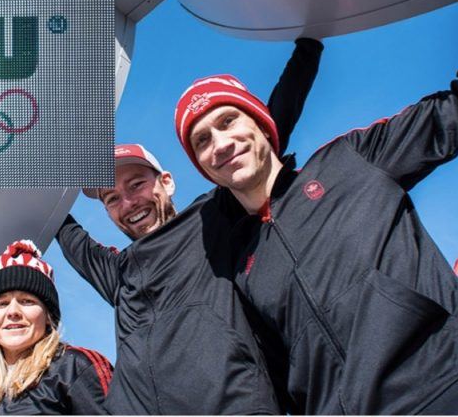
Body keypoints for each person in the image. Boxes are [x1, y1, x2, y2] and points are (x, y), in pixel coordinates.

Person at [174, 0, 458, 415]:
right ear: (202, 167)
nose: (220, 143)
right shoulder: (238, 265)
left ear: (264, 126)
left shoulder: (354, 160)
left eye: (228, 121)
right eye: (202, 140)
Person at [55, 38, 323, 414]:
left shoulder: (211, 220)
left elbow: (268, 132)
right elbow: (56, 224)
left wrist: (308, 48)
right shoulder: (117, 274)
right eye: (111, 198)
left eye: (136, 184)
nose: (128, 202)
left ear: (167, 181)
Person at [0, 240, 113, 415]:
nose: (13, 311)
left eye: (27, 301)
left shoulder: (74, 367)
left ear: (48, 316)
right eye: (2, 304)